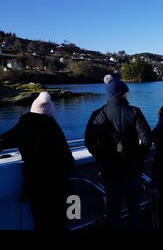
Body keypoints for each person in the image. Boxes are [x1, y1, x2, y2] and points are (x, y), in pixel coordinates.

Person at [84, 75, 152, 229]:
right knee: (134, 207)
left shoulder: (97, 114)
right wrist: (138, 157)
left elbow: (88, 141)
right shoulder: (134, 112)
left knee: (113, 210)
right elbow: (147, 139)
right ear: (121, 93)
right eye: (126, 91)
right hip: (132, 169)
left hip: (109, 170)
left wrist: (101, 157)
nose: (127, 93)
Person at [0, 92, 74, 230]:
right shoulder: (54, 128)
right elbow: (68, 159)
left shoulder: (24, 125)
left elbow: (4, 141)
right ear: (50, 112)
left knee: (40, 223)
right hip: (58, 186)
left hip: (35, 185)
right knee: (59, 223)